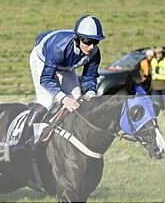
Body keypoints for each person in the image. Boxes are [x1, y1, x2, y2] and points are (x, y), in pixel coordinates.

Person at [19, 15, 105, 145]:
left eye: (95, 42)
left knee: (76, 98)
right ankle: (21, 143)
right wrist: (64, 98)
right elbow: (46, 79)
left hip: (65, 66)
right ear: (78, 39)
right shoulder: (59, 49)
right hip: (43, 59)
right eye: (87, 42)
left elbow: (90, 77)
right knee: (46, 100)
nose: (92, 47)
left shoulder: (94, 53)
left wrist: (91, 94)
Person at [150, 46, 165, 110]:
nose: (159, 54)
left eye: (160, 53)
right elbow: (151, 70)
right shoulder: (153, 60)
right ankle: (157, 109)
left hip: (163, 81)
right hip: (155, 81)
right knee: (155, 97)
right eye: (158, 53)